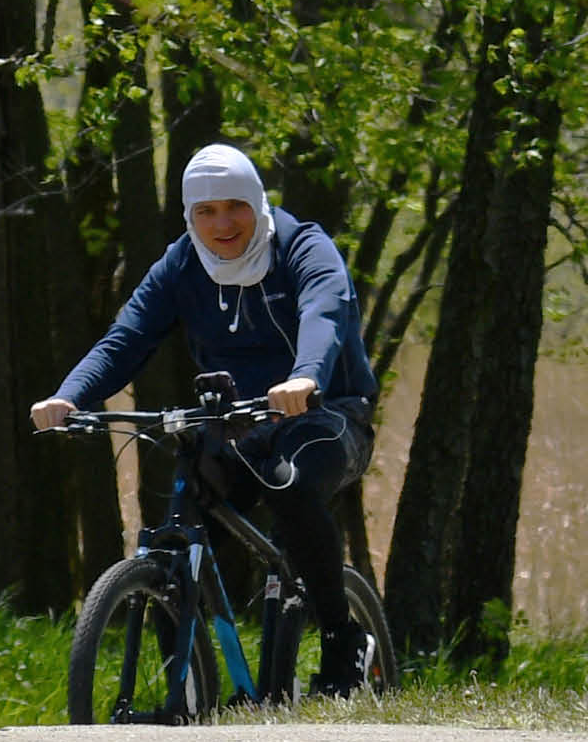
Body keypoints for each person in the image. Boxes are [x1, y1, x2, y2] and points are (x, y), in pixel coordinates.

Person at [33, 143, 382, 698]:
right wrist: (71, 396)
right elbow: (127, 337)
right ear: (190, 216)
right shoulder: (181, 265)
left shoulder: (302, 246)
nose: (222, 223)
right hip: (237, 424)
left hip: (327, 415)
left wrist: (306, 377)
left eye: (235, 206)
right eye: (206, 211)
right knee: (180, 525)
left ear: (256, 202)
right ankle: (187, 679)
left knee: (289, 486)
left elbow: (326, 309)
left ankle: (343, 641)